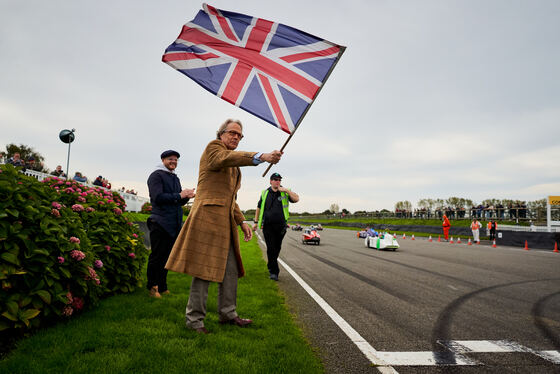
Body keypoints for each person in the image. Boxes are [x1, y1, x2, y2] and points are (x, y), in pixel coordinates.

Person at [165, 119, 282, 334]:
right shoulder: (214, 148)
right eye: (232, 133)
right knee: (203, 270)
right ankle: (194, 321)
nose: (236, 137)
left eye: (240, 135)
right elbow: (223, 158)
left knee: (230, 270)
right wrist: (261, 156)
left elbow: (230, 198)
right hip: (207, 219)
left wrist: (241, 221)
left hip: (225, 222)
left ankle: (228, 314)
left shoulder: (234, 166)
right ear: (221, 134)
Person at [146, 150, 195, 298]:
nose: (173, 162)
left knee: (167, 257)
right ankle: (152, 286)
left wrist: (187, 197)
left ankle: (162, 286)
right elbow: (158, 197)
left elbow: (177, 201)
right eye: (170, 159)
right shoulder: (156, 175)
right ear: (163, 160)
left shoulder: (175, 178)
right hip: (160, 222)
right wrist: (180, 195)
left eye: (176, 160)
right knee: (157, 256)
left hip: (173, 224)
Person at [252, 172, 299, 281]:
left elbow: (296, 199)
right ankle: (274, 272)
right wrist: (255, 222)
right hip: (267, 226)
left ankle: (270, 265)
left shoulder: (285, 192)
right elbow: (258, 208)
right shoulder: (265, 193)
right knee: (271, 248)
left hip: (281, 226)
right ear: (270, 181)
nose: (277, 181)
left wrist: (286, 190)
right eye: (275, 179)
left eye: (279, 180)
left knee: (277, 248)